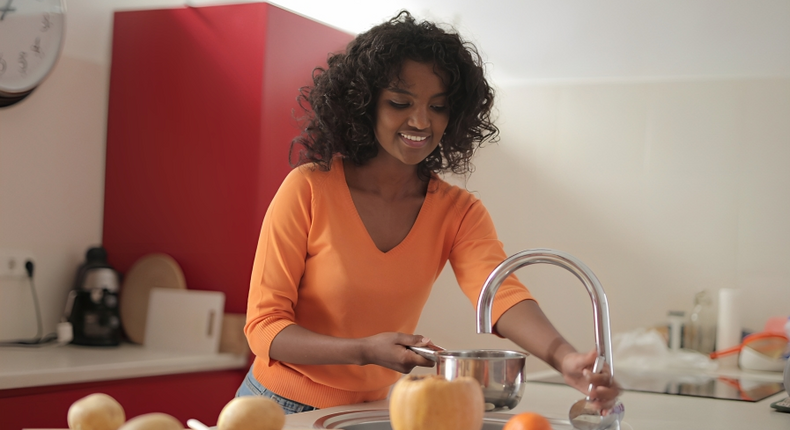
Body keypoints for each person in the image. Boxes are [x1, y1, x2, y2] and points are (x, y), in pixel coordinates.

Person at [237, 10, 620, 414]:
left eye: (437, 107)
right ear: (364, 105)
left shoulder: (457, 211)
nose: (421, 121)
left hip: (369, 409)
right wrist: (364, 350)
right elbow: (264, 329)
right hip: (273, 407)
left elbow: (501, 294)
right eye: (400, 103)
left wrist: (564, 358)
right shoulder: (309, 188)